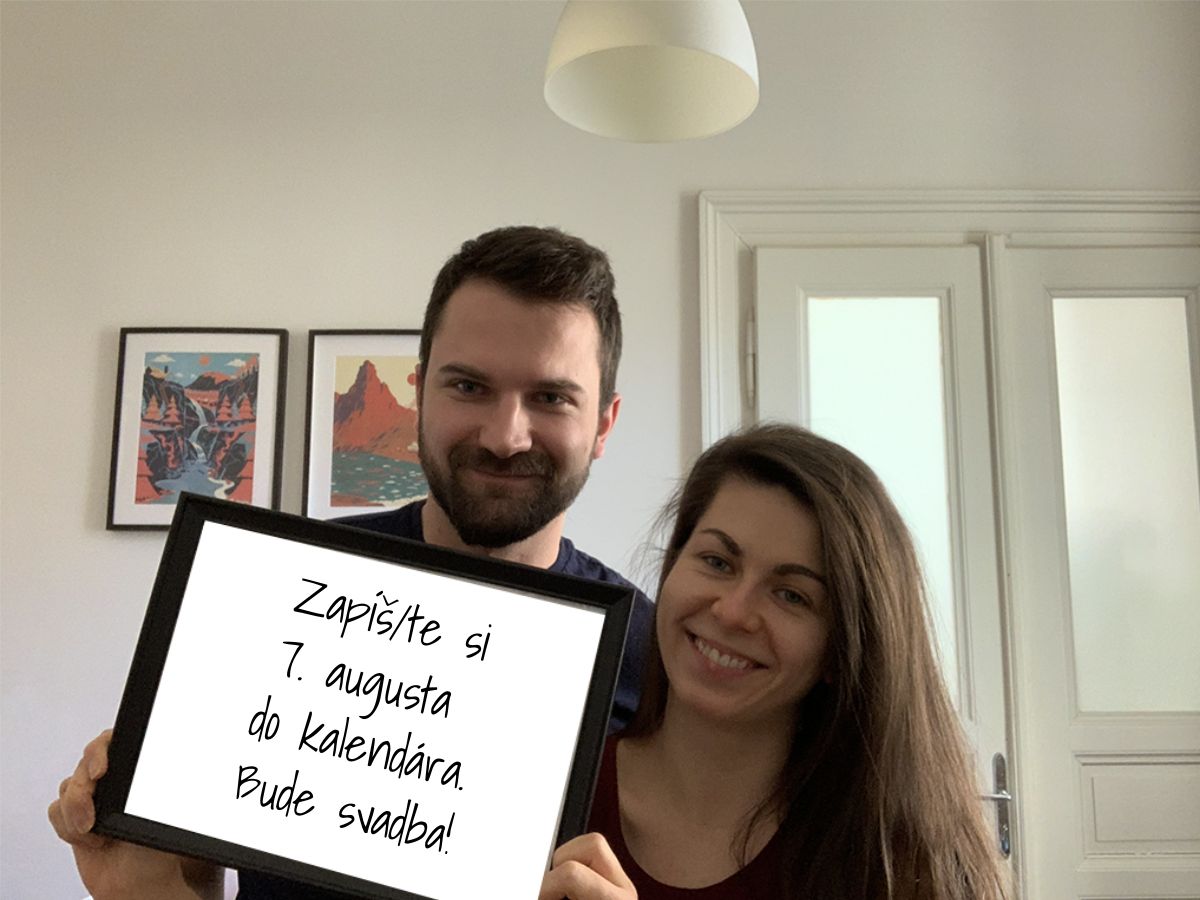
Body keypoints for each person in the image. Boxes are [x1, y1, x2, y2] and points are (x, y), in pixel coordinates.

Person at [49, 225, 654, 900]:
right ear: (420, 394)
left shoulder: (652, 656)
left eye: (551, 397)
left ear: (603, 424)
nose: (505, 436)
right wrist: (146, 888)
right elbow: (196, 873)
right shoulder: (283, 585)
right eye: (468, 386)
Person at [541, 424, 1011, 900]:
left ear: (842, 652)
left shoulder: (898, 862)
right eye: (717, 562)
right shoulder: (541, 790)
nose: (732, 612)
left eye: (791, 595)